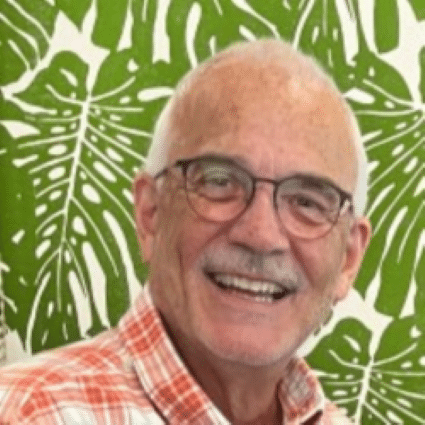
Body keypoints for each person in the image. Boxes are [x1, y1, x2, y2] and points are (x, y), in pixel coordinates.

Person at [0, 39, 371, 424]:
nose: (260, 235)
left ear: (348, 258)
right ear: (151, 214)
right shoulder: (26, 413)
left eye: (307, 202)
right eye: (219, 181)